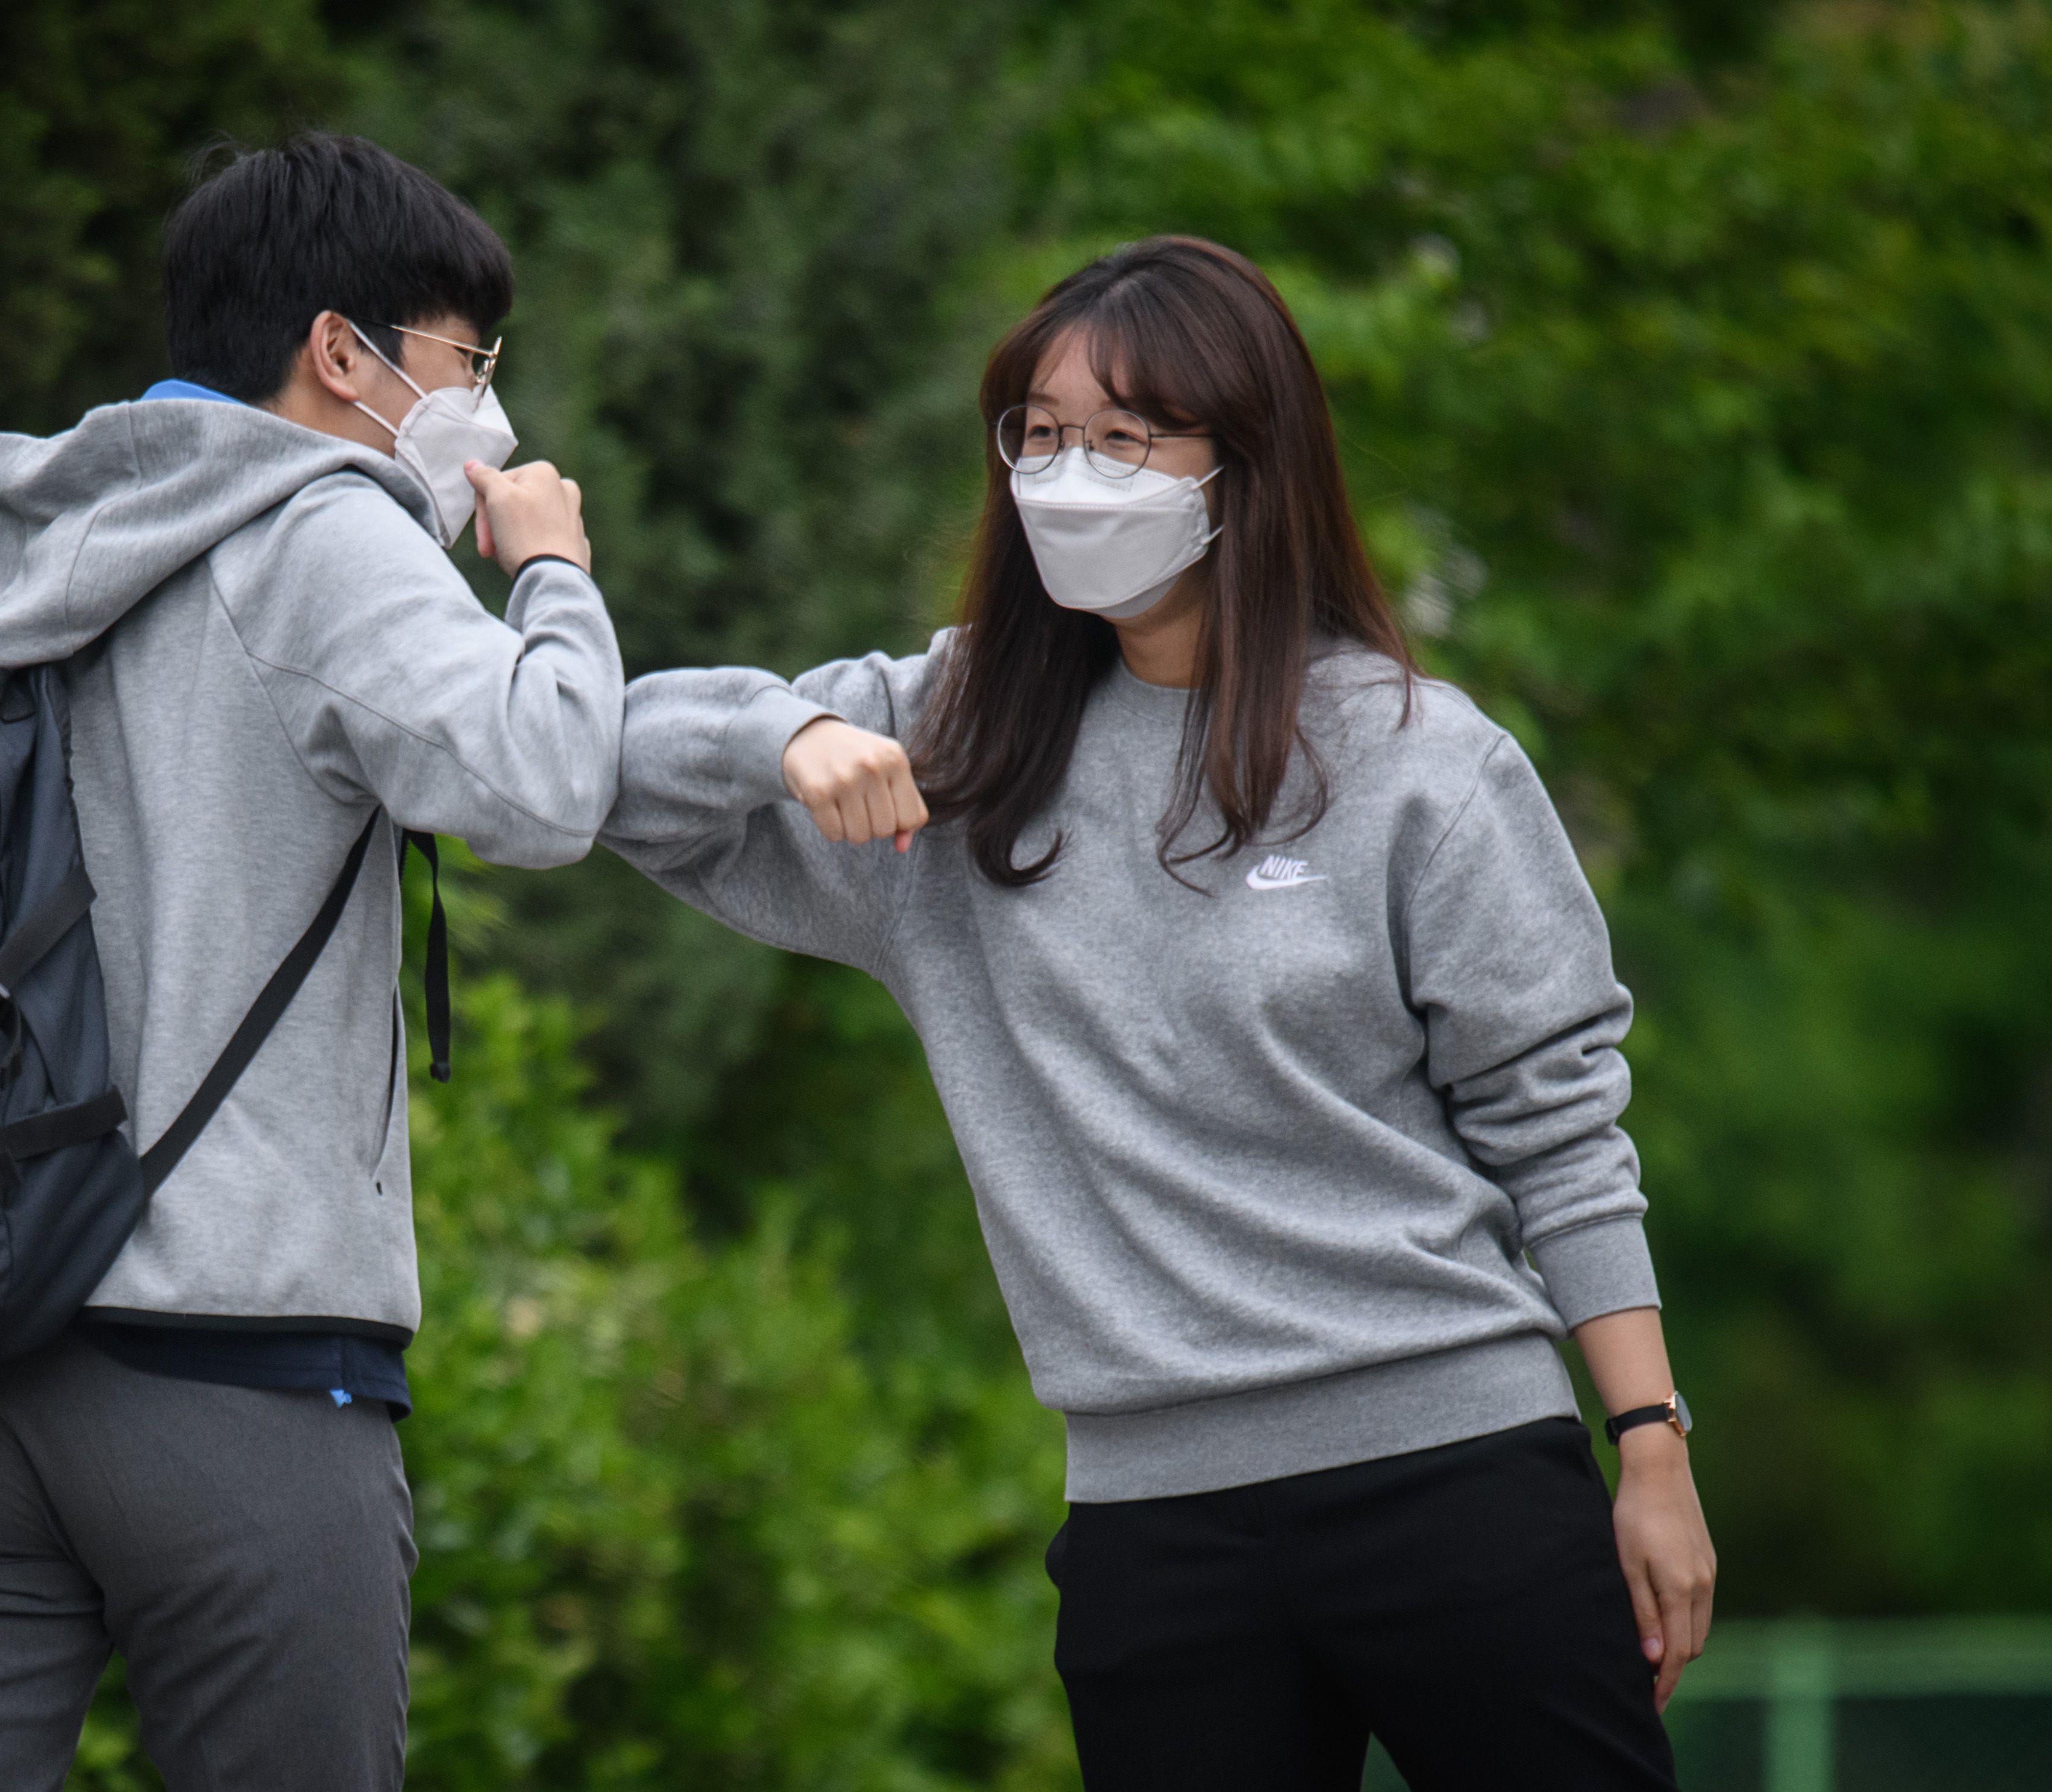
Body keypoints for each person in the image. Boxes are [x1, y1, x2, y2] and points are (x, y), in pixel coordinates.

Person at [602, 236, 1715, 1790]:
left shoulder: (1420, 761)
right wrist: (778, 726)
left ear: (1242, 464)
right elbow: (600, 764)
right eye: (1038, 435)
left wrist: (1648, 1442)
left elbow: (1558, 1123)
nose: (1069, 478)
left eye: (1125, 439)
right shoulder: (956, 740)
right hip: (1151, 1528)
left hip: (1451, 1472)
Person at [0, 136, 621, 1791]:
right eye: (471, 365)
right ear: (345, 352)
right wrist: (549, 569)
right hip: (235, 1360)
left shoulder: (14, 548)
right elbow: (539, 785)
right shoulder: (322, 534)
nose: (486, 414)